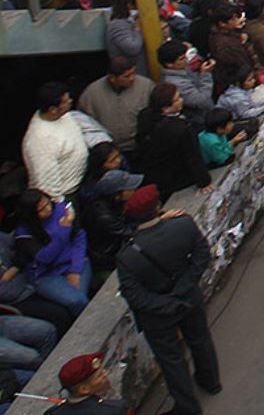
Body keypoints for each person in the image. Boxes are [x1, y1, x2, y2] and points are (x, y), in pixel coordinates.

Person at [115, 187, 221, 415]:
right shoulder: (183, 225)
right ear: (157, 208)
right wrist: (182, 290)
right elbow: (202, 255)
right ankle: (210, 380)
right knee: (200, 339)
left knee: (171, 360)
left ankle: (187, 407)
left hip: (158, 314)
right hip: (188, 298)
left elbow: (135, 296)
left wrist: (167, 304)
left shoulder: (127, 256)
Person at [21, 82, 87, 201]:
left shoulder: (64, 115)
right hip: (64, 196)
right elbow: (46, 182)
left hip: (78, 187)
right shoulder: (41, 139)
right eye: (66, 101)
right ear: (53, 109)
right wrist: (61, 207)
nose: (70, 101)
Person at [78, 58, 154, 155]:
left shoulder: (147, 86)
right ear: (112, 78)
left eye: (133, 73)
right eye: (126, 76)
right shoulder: (91, 93)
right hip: (108, 151)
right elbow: (84, 123)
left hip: (138, 148)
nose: (132, 78)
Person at [55, 352, 129, 414]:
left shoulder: (53, 413)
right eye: (100, 375)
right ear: (84, 389)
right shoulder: (116, 410)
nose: (106, 373)